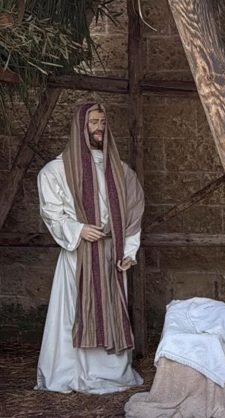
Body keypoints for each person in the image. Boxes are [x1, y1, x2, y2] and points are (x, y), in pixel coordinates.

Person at [35, 103, 145, 394]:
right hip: (79, 257)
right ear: (79, 127)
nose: (99, 128)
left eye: (103, 122)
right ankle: (72, 373)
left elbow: (133, 214)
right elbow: (52, 213)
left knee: (111, 309)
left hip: (111, 254)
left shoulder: (121, 171)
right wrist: (78, 229)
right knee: (75, 312)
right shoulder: (56, 171)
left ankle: (110, 373)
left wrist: (128, 252)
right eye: (93, 122)